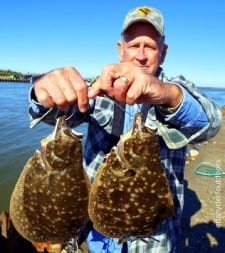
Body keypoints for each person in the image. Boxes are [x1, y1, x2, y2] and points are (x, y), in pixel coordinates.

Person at [28, 5, 222, 253]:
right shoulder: (99, 90)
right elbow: (55, 113)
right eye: (133, 45)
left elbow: (212, 122)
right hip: (94, 234)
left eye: (150, 46)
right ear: (121, 50)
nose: (141, 55)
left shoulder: (176, 91)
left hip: (154, 240)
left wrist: (166, 94)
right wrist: (42, 92)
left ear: (163, 53)